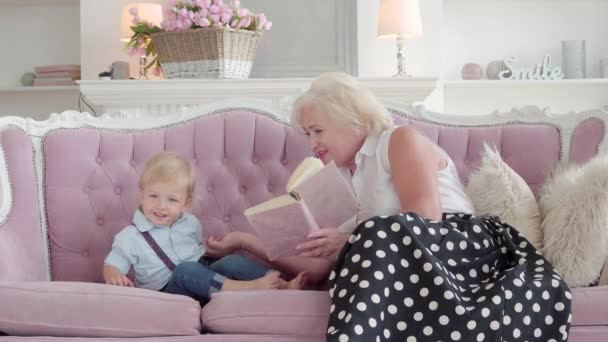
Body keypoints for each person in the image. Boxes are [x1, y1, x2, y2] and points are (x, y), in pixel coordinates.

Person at [206, 72, 573, 341]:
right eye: (307, 135)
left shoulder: (399, 140)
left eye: (317, 130)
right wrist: (248, 241)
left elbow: (425, 217)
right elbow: (320, 267)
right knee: (367, 240)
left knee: (375, 233)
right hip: (394, 258)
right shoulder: (342, 180)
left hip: (458, 249)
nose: (312, 144)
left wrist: (349, 242)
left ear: (348, 116)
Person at [103, 152, 305, 303]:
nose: (161, 206)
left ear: (186, 202)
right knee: (185, 270)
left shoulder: (190, 223)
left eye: (172, 199)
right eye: (153, 196)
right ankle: (246, 287)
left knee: (231, 261)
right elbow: (112, 265)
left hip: (203, 281)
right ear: (141, 196)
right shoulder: (130, 236)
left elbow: (196, 253)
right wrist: (114, 275)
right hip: (167, 293)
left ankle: (283, 285)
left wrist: (211, 249)